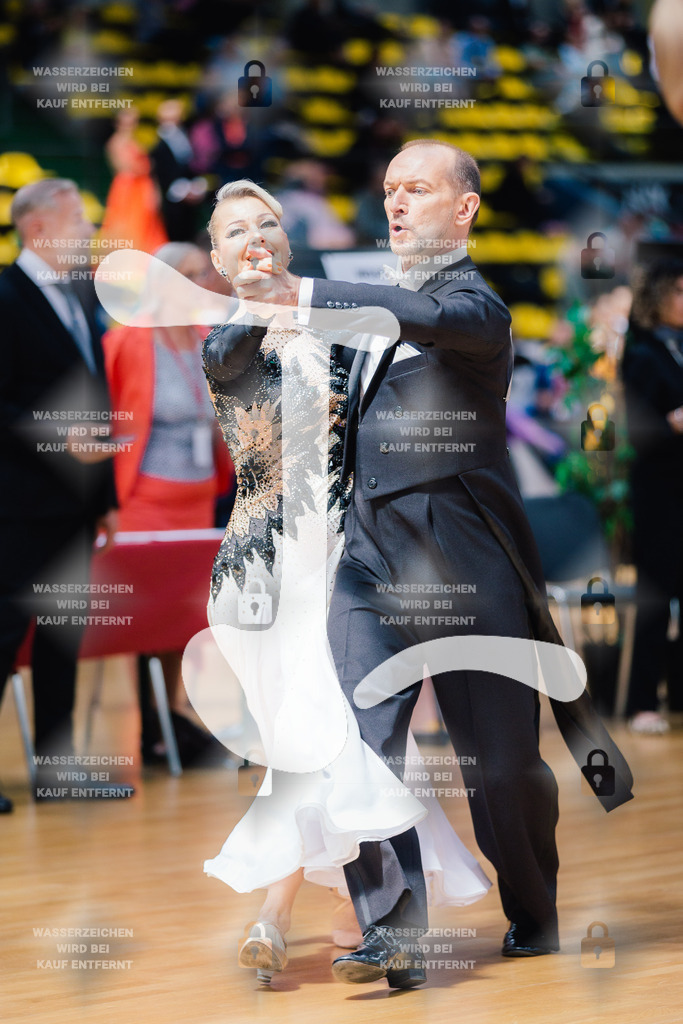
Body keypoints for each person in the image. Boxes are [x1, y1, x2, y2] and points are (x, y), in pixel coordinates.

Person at [232, 140, 634, 986]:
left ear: (466, 208)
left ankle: (533, 909)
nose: (397, 202)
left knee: (500, 764)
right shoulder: (365, 318)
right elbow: (263, 380)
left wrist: (300, 290)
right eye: (388, 190)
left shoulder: (475, 307)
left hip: (462, 553)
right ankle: (395, 929)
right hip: (367, 556)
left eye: (417, 188)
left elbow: (417, 318)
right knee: (354, 742)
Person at [199, 179, 491, 986]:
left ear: (290, 246)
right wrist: (262, 304)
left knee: (326, 740)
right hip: (263, 579)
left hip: (344, 566)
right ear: (220, 260)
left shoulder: (342, 329)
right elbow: (232, 365)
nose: (255, 238)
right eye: (236, 233)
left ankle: (292, 913)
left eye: (267, 225)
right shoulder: (227, 339)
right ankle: (349, 910)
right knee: (316, 740)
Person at [0, 179, 119, 804]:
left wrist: (105, 498)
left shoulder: (76, 292)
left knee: (61, 637)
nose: (88, 230)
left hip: (74, 502)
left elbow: (94, 396)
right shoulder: (4, 292)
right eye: (78, 219)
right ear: (38, 228)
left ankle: (57, 768)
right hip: (17, 503)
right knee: (3, 633)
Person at [103, 241, 234, 758]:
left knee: (184, 616)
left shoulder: (207, 339)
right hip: (146, 499)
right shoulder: (129, 342)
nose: (205, 281)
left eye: (204, 272)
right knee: (146, 616)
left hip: (198, 498)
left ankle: (172, 714)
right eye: (192, 273)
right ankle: (153, 726)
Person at [622, 258, 683, 733]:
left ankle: (678, 694)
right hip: (659, 489)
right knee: (655, 595)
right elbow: (640, 430)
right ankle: (642, 701)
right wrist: (671, 424)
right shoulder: (641, 352)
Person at [100, 107, 168, 254]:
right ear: (118, 122)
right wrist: (146, 166)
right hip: (128, 188)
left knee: (145, 222)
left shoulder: (133, 141)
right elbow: (124, 167)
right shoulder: (116, 143)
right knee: (126, 222)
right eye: (128, 120)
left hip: (139, 187)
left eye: (133, 120)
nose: (131, 124)